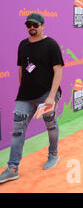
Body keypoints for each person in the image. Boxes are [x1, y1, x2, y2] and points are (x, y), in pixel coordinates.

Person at [0, 13, 64, 184]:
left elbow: (58, 70)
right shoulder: (22, 45)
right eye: (28, 25)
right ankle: (12, 168)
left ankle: (53, 154)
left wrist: (51, 96)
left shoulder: (51, 44)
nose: (32, 28)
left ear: (43, 25)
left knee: (50, 125)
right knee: (17, 130)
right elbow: (22, 69)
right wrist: (22, 89)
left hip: (47, 94)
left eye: (35, 25)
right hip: (25, 95)